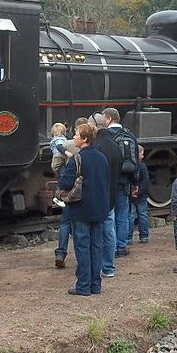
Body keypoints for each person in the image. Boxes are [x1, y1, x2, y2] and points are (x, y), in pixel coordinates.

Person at [57, 123, 110, 296]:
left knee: (82, 247)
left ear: (85, 139)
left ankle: (83, 286)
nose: (74, 137)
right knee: (96, 246)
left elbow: (64, 183)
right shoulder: (102, 158)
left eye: (76, 135)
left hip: (80, 209)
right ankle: (96, 285)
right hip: (99, 208)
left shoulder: (77, 159)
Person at [102, 107, 139, 257]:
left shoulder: (107, 137)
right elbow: (135, 160)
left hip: (110, 180)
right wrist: (134, 182)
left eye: (104, 118)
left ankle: (111, 247)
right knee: (123, 213)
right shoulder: (130, 135)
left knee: (109, 215)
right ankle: (122, 246)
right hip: (125, 180)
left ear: (109, 119)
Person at [89, 111, 121, 278]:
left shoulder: (96, 147)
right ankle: (109, 267)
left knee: (96, 234)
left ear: (94, 126)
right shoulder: (116, 145)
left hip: (98, 197)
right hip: (112, 194)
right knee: (110, 231)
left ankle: (97, 267)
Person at [53, 117, 87, 269]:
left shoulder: (67, 145)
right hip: (86, 188)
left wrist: (62, 175)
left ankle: (61, 253)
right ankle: (84, 257)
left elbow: (55, 165)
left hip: (70, 188)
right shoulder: (93, 147)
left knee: (66, 221)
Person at [128, 145, 150, 244]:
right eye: (141, 154)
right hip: (141, 196)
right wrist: (140, 191)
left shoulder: (129, 166)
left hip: (131, 196)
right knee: (143, 215)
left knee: (130, 216)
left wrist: (131, 192)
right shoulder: (143, 166)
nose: (143, 156)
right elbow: (145, 181)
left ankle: (128, 237)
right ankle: (144, 236)